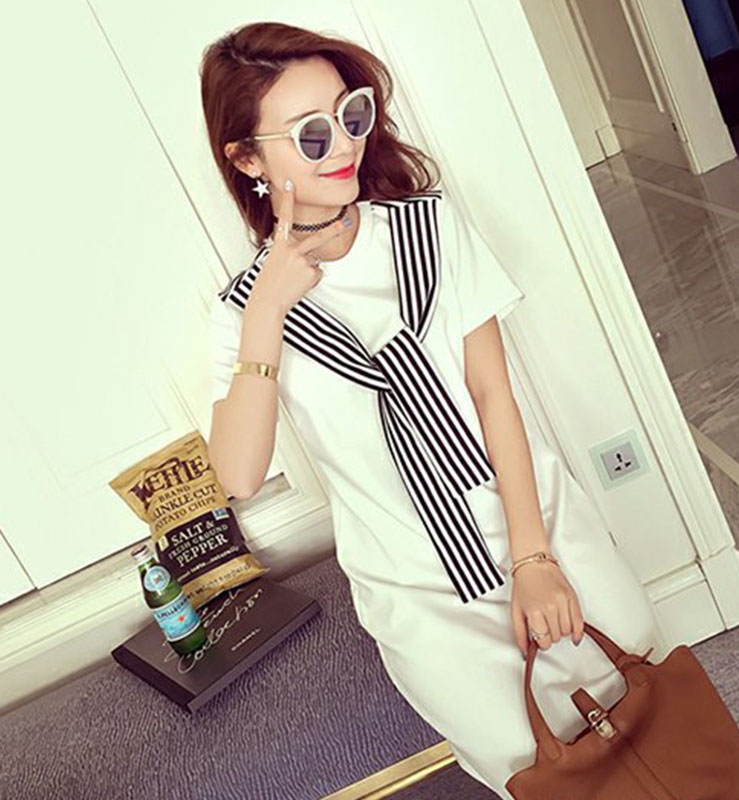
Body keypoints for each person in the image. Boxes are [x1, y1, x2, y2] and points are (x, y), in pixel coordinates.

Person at [201, 21, 659, 799]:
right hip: (417, 588)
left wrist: (534, 560)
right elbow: (238, 476)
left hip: (531, 524)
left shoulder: (431, 229)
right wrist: (267, 313)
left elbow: (493, 395)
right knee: (525, 762)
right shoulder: (243, 313)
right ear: (247, 158)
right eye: (311, 135)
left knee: (642, 691)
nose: (344, 145)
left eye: (351, 115)